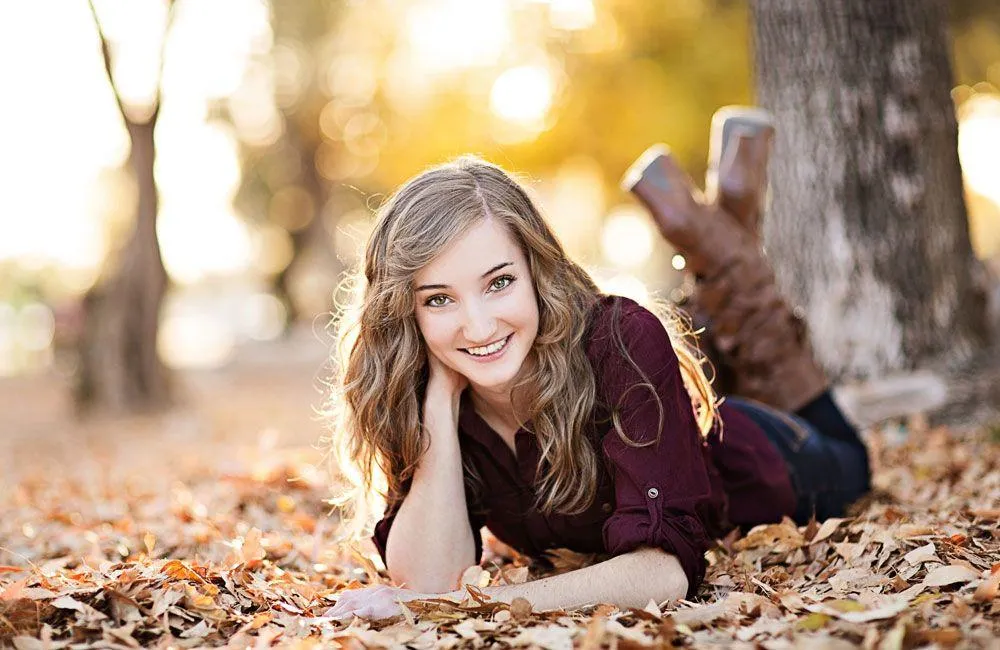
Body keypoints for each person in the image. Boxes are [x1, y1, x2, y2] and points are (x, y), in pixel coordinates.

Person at [322, 155, 870, 620]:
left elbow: (664, 573)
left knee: (847, 453)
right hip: (671, 414)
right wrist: (439, 402)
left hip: (774, 458)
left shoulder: (621, 339)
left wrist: (490, 605)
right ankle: (722, 256)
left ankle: (735, 265)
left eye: (500, 282)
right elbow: (427, 578)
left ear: (537, 270)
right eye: (439, 299)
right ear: (406, 311)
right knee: (712, 343)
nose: (479, 326)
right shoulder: (422, 383)